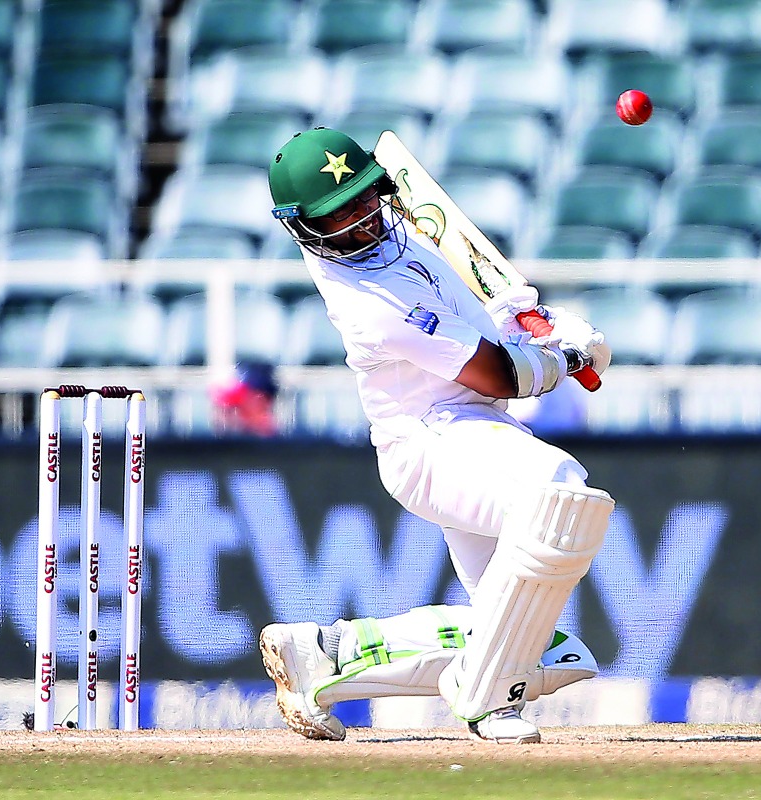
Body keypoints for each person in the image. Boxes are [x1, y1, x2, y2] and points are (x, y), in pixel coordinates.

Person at [257, 127, 615, 744]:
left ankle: (323, 654)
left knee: (545, 650)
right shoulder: (367, 302)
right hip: (430, 443)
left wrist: (535, 320)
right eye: (338, 215)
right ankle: (484, 697)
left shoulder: (399, 227)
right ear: (301, 226)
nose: (362, 221)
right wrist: (563, 356)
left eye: (366, 197)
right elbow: (500, 375)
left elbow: (481, 303)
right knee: (559, 490)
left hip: (471, 429)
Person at [210, 360, 280, 436]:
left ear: (259, 400)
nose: (226, 418)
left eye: (237, 408)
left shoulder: (274, 441)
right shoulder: (237, 436)